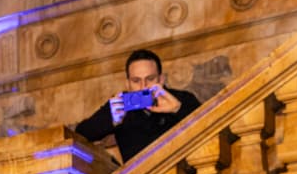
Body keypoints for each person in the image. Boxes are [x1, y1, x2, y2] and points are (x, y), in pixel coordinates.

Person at [73, 49, 202, 164]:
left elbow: (207, 126)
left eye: (150, 79)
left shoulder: (180, 99)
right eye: (136, 81)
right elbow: (80, 134)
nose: (143, 87)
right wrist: (112, 120)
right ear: (128, 84)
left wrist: (177, 109)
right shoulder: (121, 105)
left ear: (161, 80)